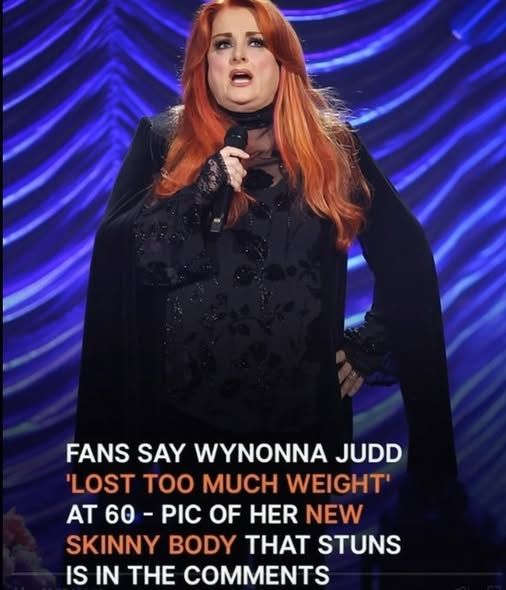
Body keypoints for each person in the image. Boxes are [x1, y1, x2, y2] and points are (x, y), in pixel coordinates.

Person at [73, 0, 458, 587]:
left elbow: (404, 256)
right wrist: (198, 194)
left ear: (282, 61)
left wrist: (369, 344)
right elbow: (121, 259)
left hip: (297, 438)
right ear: (204, 64)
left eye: (255, 42)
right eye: (222, 44)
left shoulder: (331, 145)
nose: (239, 57)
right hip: (185, 440)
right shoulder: (163, 139)